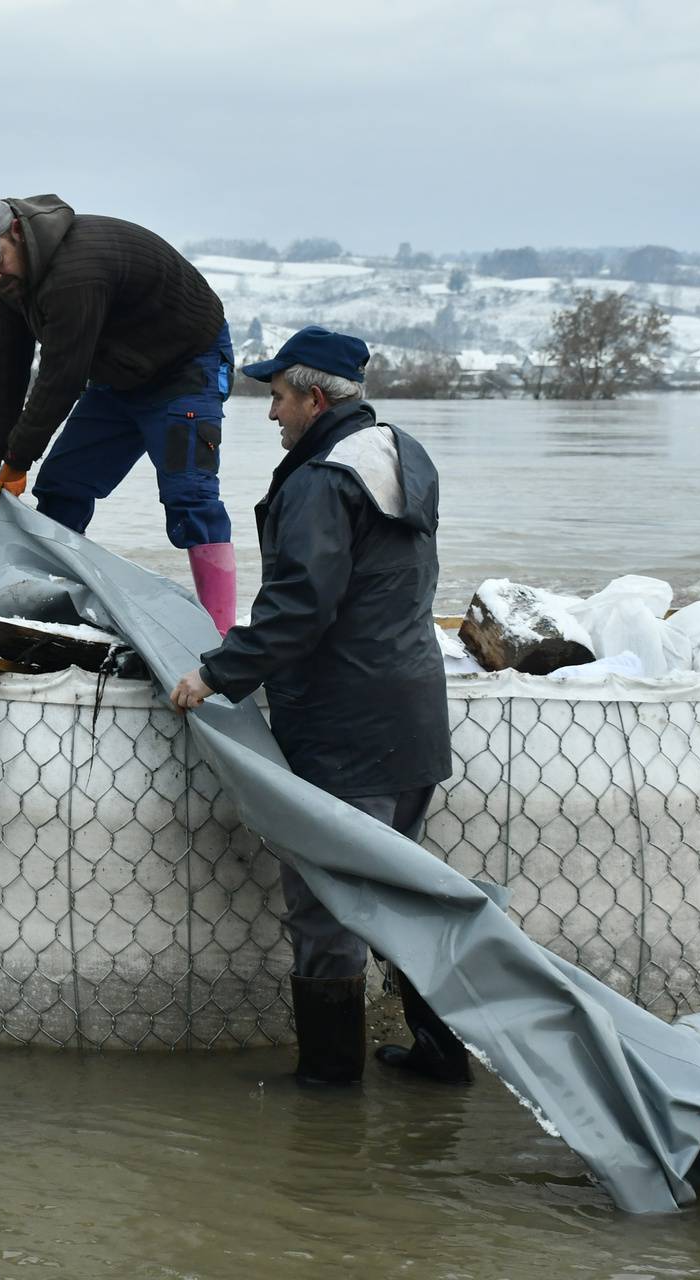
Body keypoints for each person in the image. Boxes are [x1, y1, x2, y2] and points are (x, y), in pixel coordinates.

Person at [167, 325, 466, 1087]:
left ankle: (329, 1086)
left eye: (276, 397)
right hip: (411, 713)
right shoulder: (399, 453)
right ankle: (441, 1058)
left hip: (344, 727)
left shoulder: (320, 481)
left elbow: (302, 607)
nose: (271, 415)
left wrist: (217, 673)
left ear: (311, 397)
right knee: (404, 892)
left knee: (329, 905)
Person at [0, 195, 239, 633]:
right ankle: (52, 615)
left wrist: (18, 459)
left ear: (15, 232)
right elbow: (6, 364)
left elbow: (62, 375)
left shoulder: (75, 272)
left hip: (186, 367)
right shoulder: (7, 284)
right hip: (118, 372)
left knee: (189, 498)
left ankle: (222, 634)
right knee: (62, 486)